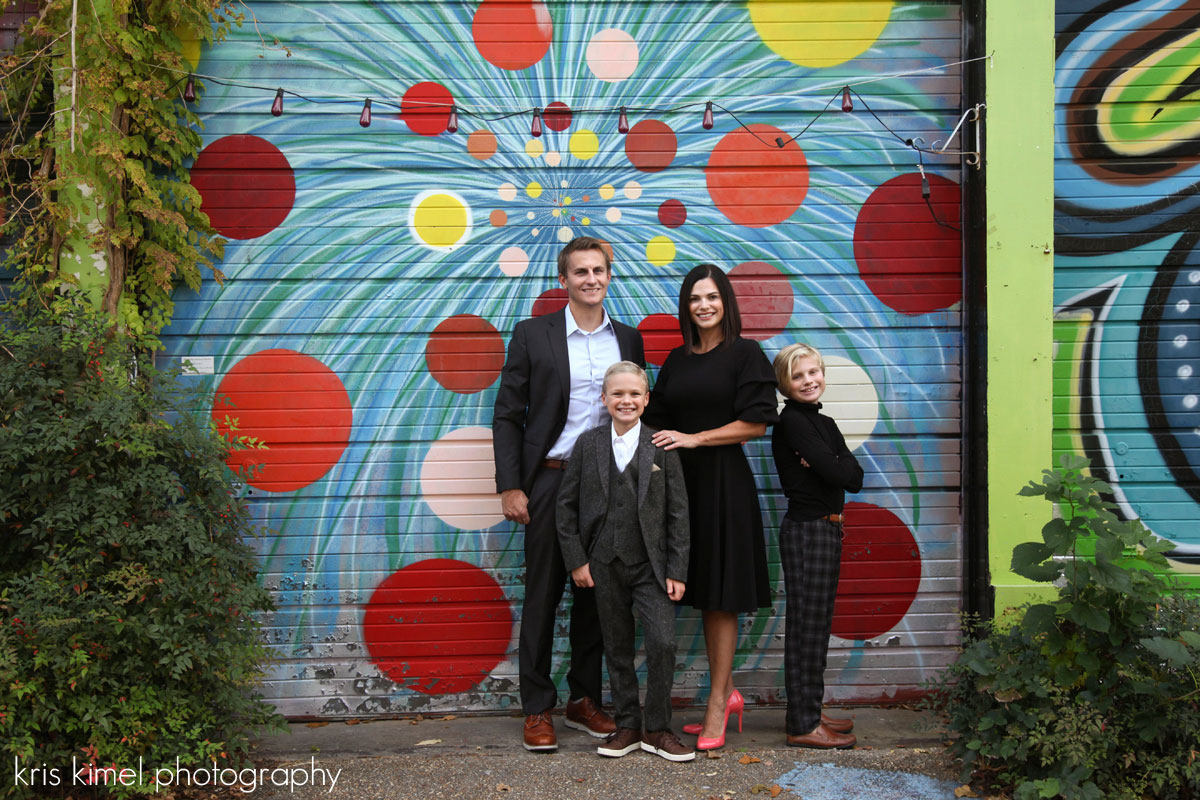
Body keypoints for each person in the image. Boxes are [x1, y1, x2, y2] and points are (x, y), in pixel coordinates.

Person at [493, 236, 646, 752]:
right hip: (551, 479)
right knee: (542, 595)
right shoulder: (533, 334)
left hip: (608, 481)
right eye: (579, 272)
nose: (590, 279)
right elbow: (509, 413)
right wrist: (512, 484)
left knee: (597, 597)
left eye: (599, 270)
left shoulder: (628, 340)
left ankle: (584, 700)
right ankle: (537, 708)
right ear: (564, 281)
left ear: (609, 275)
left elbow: (635, 409)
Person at [644, 263, 778, 751]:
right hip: (679, 489)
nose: (704, 305)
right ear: (686, 306)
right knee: (693, 590)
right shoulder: (676, 360)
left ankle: (719, 703)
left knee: (720, 597)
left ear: (727, 302)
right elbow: (654, 418)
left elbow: (758, 422)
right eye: (695, 298)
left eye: (712, 297)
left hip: (723, 485)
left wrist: (695, 438)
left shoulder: (746, 354)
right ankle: (719, 695)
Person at [556, 361, 694, 762]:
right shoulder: (588, 444)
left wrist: (677, 569)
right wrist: (577, 561)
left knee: (662, 642)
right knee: (616, 647)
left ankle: (658, 728)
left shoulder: (661, 446)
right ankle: (628, 725)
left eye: (635, 393)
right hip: (602, 562)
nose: (626, 400)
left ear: (646, 399)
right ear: (604, 399)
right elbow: (565, 509)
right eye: (618, 394)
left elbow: (678, 513)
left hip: (652, 565)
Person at [770, 343, 863, 750]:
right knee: (806, 628)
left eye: (813, 372)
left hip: (825, 529)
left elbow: (853, 475)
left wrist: (832, 462)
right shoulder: (793, 422)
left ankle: (810, 708)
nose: (809, 381)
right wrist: (830, 462)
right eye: (798, 376)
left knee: (817, 626)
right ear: (784, 384)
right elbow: (837, 470)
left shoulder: (818, 421)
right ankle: (802, 723)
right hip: (808, 530)